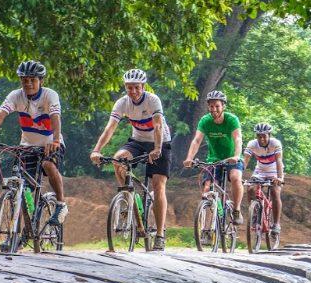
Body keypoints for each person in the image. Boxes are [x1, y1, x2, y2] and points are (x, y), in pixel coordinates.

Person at [0, 60, 68, 224]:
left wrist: (55, 140)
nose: (29, 83)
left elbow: (55, 117)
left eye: (33, 80)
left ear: (41, 81)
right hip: (27, 147)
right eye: (25, 80)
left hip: (51, 144)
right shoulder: (15, 96)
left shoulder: (49, 95)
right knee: (22, 189)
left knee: (47, 164)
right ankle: (24, 231)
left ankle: (61, 204)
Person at [90, 69, 171, 250]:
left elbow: (157, 126)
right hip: (138, 141)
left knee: (158, 185)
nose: (133, 91)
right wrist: (96, 150)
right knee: (118, 160)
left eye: (136, 87)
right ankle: (127, 196)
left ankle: (159, 234)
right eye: (129, 88)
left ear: (143, 87)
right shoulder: (122, 103)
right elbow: (110, 128)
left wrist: (157, 149)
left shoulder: (152, 100)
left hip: (161, 142)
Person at [183, 90, 244, 223]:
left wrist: (237, 156)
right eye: (211, 106)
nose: (214, 109)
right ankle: (206, 228)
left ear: (223, 106)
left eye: (217, 106)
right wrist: (189, 158)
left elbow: (238, 138)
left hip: (232, 158)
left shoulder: (232, 120)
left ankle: (237, 210)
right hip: (214, 160)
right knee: (207, 189)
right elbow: (197, 140)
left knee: (235, 177)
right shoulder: (205, 121)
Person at [242, 122, 285, 235]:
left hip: (274, 170)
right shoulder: (252, 144)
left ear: (269, 135)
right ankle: (255, 215)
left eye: (264, 136)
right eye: (259, 136)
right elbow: (245, 161)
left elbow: (279, 161)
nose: (261, 139)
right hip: (260, 171)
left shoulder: (275, 143)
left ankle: (276, 224)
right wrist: (238, 174)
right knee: (251, 189)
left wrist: (280, 177)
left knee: (275, 192)